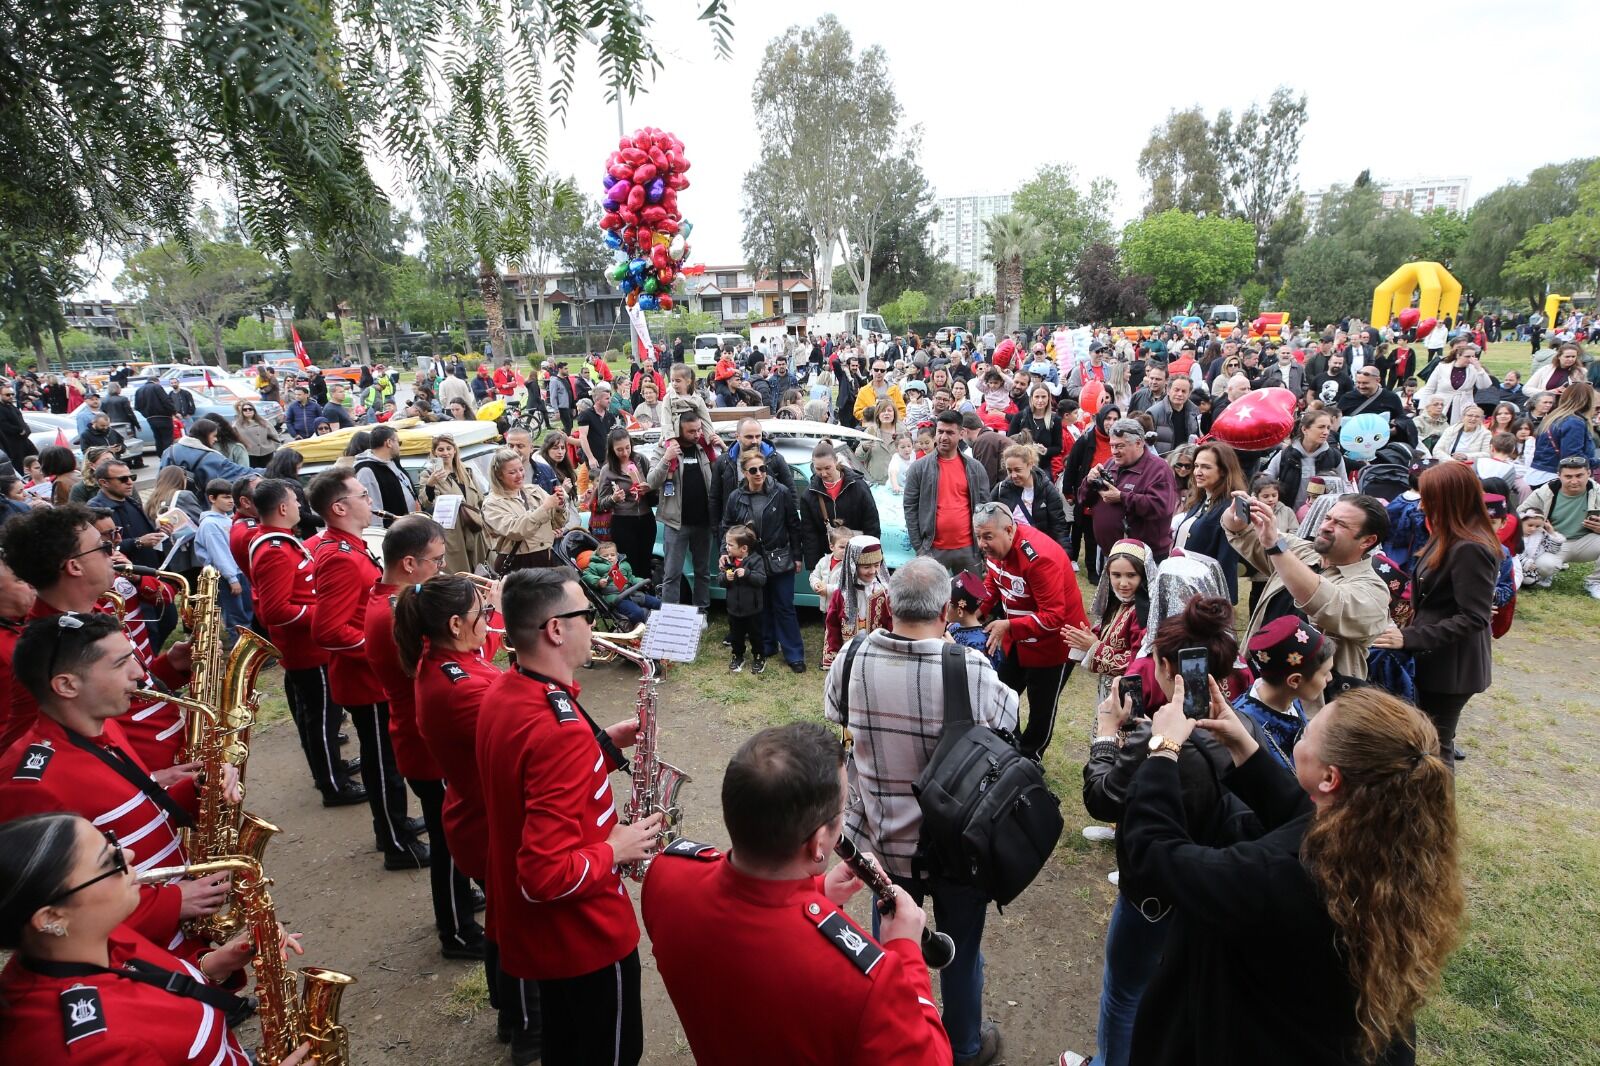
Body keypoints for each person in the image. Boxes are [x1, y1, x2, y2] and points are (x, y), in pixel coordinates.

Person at [1119, 684, 1463, 1066]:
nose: (1306, 726)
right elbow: (1301, 815)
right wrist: (1241, 745)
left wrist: (1163, 748)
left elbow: (1153, 853)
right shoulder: (1390, 843)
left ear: (1330, 778)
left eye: (1310, 730)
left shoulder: (1276, 880)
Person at [642, 722, 952, 1066]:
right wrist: (906, 953)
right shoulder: (869, 982)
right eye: (843, 811)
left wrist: (818, 891)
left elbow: (748, 915)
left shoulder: (666, 875)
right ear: (819, 842)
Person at [822, 558, 1015, 1065]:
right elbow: (1010, 717)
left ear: (888, 605)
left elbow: (833, 711)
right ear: (946, 609)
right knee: (961, 950)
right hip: (954, 843)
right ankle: (965, 1046)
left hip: (880, 841)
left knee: (887, 946)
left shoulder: (852, 655)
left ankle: (891, 1035)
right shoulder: (966, 666)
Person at [475, 568, 661, 1066]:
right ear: (556, 630)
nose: (594, 623)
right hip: (585, 938)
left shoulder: (506, 690)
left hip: (544, 941)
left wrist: (601, 745)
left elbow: (529, 776)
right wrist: (614, 849)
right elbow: (542, 875)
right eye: (586, 614)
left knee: (565, 1047)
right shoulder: (559, 730)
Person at [0, 612, 233, 952]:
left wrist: (201, 788)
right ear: (67, 685)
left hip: (175, 934)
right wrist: (170, 903)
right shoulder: (28, 783)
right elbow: (51, 919)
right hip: (135, 956)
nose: (140, 673)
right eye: (121, 663)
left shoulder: (103, 726)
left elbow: (133, 813)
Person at [0, 813, 314, 1065]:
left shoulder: (87, 938)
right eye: (109, 861)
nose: (130, 853)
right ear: (52, 918)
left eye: (112, 843)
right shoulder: (94, 1050)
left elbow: (144, 987)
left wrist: (214, 965)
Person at [396, 574, 538, 1059]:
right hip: (489, 822)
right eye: (481, 616)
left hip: (479, 813)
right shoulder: (459, 688)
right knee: (520, 926)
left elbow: (484, 660)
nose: (487, 623)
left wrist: (496, 611)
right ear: (456, 624)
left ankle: (508, 1012)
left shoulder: (448, 661)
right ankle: (526, 1030)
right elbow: (526, 729)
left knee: (504, 918)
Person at [366, 516, 486, 959]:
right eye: (437, 561)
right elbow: (443, 666)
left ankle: (460, 904)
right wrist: (482, 628)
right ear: (410, 563)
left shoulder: (396, 602)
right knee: (450, 839)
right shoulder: (394, 612)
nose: (443, 569)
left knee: (448, 836)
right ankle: (456, 931)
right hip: (426, 749)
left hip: (421, 742)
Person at [306, 470, 424, 870]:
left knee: (387, 761)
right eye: (361, 494)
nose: (369, 500)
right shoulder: (339, 557)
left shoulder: (350, 547)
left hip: (371, 680)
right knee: (382, 766)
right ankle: (395, 842)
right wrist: (381, 652)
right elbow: (329, 630)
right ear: (339, 508)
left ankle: (398, 826)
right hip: (366, 682)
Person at [1373, 462, 1502, 764]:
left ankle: (1439, 809)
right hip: (1434, 658)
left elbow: (1474, 617)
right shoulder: (1449, 534)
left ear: (1447, 498)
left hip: (1450, 667)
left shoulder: (1470, 548)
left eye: (1427, 495)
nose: (1420, 502)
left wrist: (1410, 638)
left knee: (1436, 747)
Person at [246, 478, 359, 803]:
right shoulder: (275, 550)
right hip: (307, 650)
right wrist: (324, 616)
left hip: (307, 647)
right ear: (283, 508)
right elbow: (276, 610)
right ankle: (333, 785)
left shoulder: (278, 542)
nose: (299, 506)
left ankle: (331, 770)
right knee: (324, 718)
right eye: (295, 501)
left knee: (320, 716)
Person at [973, 502, 1088, 760]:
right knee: (1001, 691)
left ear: (1009, 529)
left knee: (1041, 706)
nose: (982, 544)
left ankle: (1029, 759)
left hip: (1055, 643)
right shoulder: (996, 551)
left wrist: (1008, 625)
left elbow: (1054, 617)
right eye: (979, 537)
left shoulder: (1038, 559)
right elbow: (993, 584)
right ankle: (1005, 748)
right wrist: (975, 612)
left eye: (988, 537)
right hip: (1016, 636)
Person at [721, 449, 806, 672]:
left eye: (763, 468)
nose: (759, 473)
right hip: (751, 560)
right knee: (761, 606)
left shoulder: (782, 492)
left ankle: (794, 654)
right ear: (744, 472)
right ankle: (767, 645)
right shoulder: (735, 497)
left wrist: (797, 556)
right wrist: (725, 551)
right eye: (753, 470)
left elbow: (793, 526)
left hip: (780, 557)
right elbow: (727, 527)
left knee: (784, 606)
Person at [1232, 616, 1335, 771]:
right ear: (1294, 681)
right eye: (1325, 673)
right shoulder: (1244, 727)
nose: (1330, 678)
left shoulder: (1290, 697)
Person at [1064, 538, 1156, 704]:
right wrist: (1086, 638)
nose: (1123, 583)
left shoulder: (1144, 613)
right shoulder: (1117, 603)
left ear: (1143, 575)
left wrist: (1094, 647)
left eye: (1131, 575)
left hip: (1129, 697)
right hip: (1107, 689)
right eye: (1116, 575)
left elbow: (1138, 663)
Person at [904, 411, 991, 573]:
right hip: (932, 549)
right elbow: (910, 508)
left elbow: (985, 508)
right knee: (932, 598)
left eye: (950, 433)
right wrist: (920, 548)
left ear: (961, 434)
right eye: (940, 432)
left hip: (969, 549)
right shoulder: (919, 468)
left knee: (970, 597)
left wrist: (982, 545)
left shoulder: (975, 468)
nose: (943, 437)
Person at [1083, 418, 1181, 561]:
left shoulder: (1159, 469)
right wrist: (1088, 482)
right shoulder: (1110, 463)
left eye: (1120, 446)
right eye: (1112, 446)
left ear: (1139, 443)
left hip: (1144, 557)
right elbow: (1083, 499)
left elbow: (1161, 507)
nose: (1114, 451)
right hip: (1110, 553)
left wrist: (1122, 497)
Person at [648, 409, 718, 610]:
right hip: (676, 523)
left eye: (698, 430)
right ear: (678, 431)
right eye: (691, 431)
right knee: (672, 572)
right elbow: (651, 481)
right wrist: (666, 459)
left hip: (703, 522)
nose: (697, 434)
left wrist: (719, 447)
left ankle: (701, 610)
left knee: (702, 570)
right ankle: (670, 614)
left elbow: (720, 474)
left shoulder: (703, 448)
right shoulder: (664, 449)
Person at [1172, 442, 1248, 602]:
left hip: (1204, 596)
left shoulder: (1233, 506)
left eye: (1206, 467)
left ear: (1223, 471)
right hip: (1182, 586)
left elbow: (1228, 559)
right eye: (1196, 466)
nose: (1197, 472)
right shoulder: (1200, 499)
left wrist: (1220, 602)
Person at [1523, 456, 1600, 596]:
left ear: (1589, 473)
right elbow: (1520, 514)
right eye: (1568, 476)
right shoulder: (1545, 492)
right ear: (1559, 476)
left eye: (1579, 475)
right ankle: (1548, 573)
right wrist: (1536, 526)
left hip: (1587, 541)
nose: (1574, 481)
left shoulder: (1597, 491)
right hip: (1553, 543)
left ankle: (1595, 582)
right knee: (1544, 567)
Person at [799, 441, 881, 568]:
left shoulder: (858, 487)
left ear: (836, 461)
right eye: (818, 469)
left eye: (827, 468)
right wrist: (814, 567)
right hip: (828, 560)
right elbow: (809, 535)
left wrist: (869, 556)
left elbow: (872, 523)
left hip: (859, 556)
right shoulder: (808, 495)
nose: (823, 474)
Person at [483, 447, 564, 572]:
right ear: (499, 475)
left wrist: (559, 507)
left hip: (546, 557)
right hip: (517, 563)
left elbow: (559, 523)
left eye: (521, 469)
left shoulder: (534, 490)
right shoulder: (492, 503)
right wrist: (545, 507)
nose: (519, 475)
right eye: (512, 472)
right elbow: (515, 530)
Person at [417, 434, 489, 575]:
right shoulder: (429, 474)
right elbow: (426, 502)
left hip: (474, 527)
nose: (445, 453)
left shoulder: (466, 471)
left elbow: (480, 498)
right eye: (441, 449)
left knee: (481, 570)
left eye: (449, 448)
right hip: (452, 532)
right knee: (460, 572)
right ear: (434, 453)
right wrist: (430, 484)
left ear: (454, 450)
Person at [592, 427, 655, 578]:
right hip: (623, 521)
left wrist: (649, 489)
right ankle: (632, 594)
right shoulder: (607, 470)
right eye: (619, 450)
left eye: (627, 448)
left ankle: (646, 594)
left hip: (646, 518)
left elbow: (655, 487)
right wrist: (614, 499)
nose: (625, 453)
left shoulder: (641, 460)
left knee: (646, 561)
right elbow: (600, 503)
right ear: (612, 450)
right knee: (629, 563)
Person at [194, 478, 253, 636]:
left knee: (247, 612)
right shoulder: (210, 524)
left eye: (232, 497)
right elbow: (219, 554)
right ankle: (239, 654)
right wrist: (232, 579)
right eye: (226, 497)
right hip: (227, 577)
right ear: (212, 498)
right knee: (236, 618)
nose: (230, 501)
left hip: (239, 572)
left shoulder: (227, 519)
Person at [821, 534, 890, 668]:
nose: (873, 571)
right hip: (848, 658)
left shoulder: (883, 593)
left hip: (876, 658)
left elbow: (890, 624)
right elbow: (832, 625)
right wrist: (832, 654)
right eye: (866, 567)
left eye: (877, 565)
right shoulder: (841, 595)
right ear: (853, 565)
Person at [989, 443, 1071, 553]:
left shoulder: (1047, 489)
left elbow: (1058, 525)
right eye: (1009, 470)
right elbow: (989, 520)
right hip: (1010, 551)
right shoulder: (1000, 490)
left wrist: (1065, 553)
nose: (1013, 475)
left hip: (1039, 549)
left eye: (1018, 470)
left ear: (1030, 465)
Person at [86, 458, 166, 569]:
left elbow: (145, 534)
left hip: (152, 571)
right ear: (104, 482)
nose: (130, 482)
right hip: (128, 577)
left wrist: (159, 532)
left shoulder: (132, 502)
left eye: (132, 477)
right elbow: (99, 548)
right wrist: (138, 542)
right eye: (123, 479)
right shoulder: (95, 509)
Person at [1262, 410, 1346, 510]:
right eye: (1321, 427)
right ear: (1305, 429)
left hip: (1322, 516)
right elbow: (1266, 481)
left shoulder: (1334, 456)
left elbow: (1345, 485)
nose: (1326, 432)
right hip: (1290, 517)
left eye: (1328, 427)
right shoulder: (1285, 455)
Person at [720, 523, 769, 673]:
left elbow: (761, 579)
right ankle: (738, 656)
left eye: (730, 545)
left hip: (752, 609)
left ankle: (759, 657)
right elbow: (721, 581)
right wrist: (726, 578)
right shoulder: (729, 561)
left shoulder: (756, 560)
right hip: (734, 608)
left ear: (744, 548)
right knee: (736, 635)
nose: (727, 548)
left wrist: (747, 574)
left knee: (755, 635)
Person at [1528, 382, 1598, 486]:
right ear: (1588, 401)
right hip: (1557, 479)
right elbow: (1573, 458)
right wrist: (1596, 462)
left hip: (1540, 475)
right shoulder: (1574, 422)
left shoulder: (1552, 418)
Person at [161, 416, 254, 491]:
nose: (216, 439)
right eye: (214, 435)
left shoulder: (169, 451)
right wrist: (265, 472)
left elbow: (160, 478)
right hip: (198, 505)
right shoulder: (210, 457)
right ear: (205, 435)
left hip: (169, 500)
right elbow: (238, 472)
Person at [580, 540, 661, 624]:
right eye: (605, 556)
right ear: (599, 556)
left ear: (617, 555)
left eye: (612, 555)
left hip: (631, 593)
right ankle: (639, 629)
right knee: (638, 613)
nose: (610, 557)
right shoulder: (595, 565)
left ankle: (664, 623)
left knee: (658, 603)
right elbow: (586, 575)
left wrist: (641, 581)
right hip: (615, 598)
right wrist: (598, 581)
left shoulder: (623, 564)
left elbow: (631, 578)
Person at [352, 423, 417, 527]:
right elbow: (372, 510)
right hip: (390, 533)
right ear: (389, 443)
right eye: (398, 442)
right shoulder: (366, 470)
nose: (399, 446)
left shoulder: (392, 463)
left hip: (407, 527)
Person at [1415, 343, 1492, 423]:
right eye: (1467, 356)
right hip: (1442, 406)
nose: (1470, 359)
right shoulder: (1442, 367)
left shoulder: (1474, 369)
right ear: (1458, 356)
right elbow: (1429, 389)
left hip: (1463, 407)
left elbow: (1484, 385)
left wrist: (1479, 369)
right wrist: (1423, 408)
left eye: (1473, 356)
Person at [133, 371, 177, 458]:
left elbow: (137, 406)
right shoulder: (157, 387)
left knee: (158, 438)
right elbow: (166, 401)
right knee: (167, 438)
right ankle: (168, 457)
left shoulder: (139, 390)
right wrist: (174, 411)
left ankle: (161, 456)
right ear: (157, 381)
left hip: (151, 419)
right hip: (164, 417)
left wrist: (146, 414)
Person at [853, 359, 906, 423]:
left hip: (890, 428)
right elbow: (857, 412)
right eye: (876, 370)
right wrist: (871, 413)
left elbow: (902, 410)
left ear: (885, 372)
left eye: (882, 370)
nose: (879, 372)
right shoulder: (863, 390)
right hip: (870, 428)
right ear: (871, 371)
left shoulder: (894, 389)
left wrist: (892, 419)